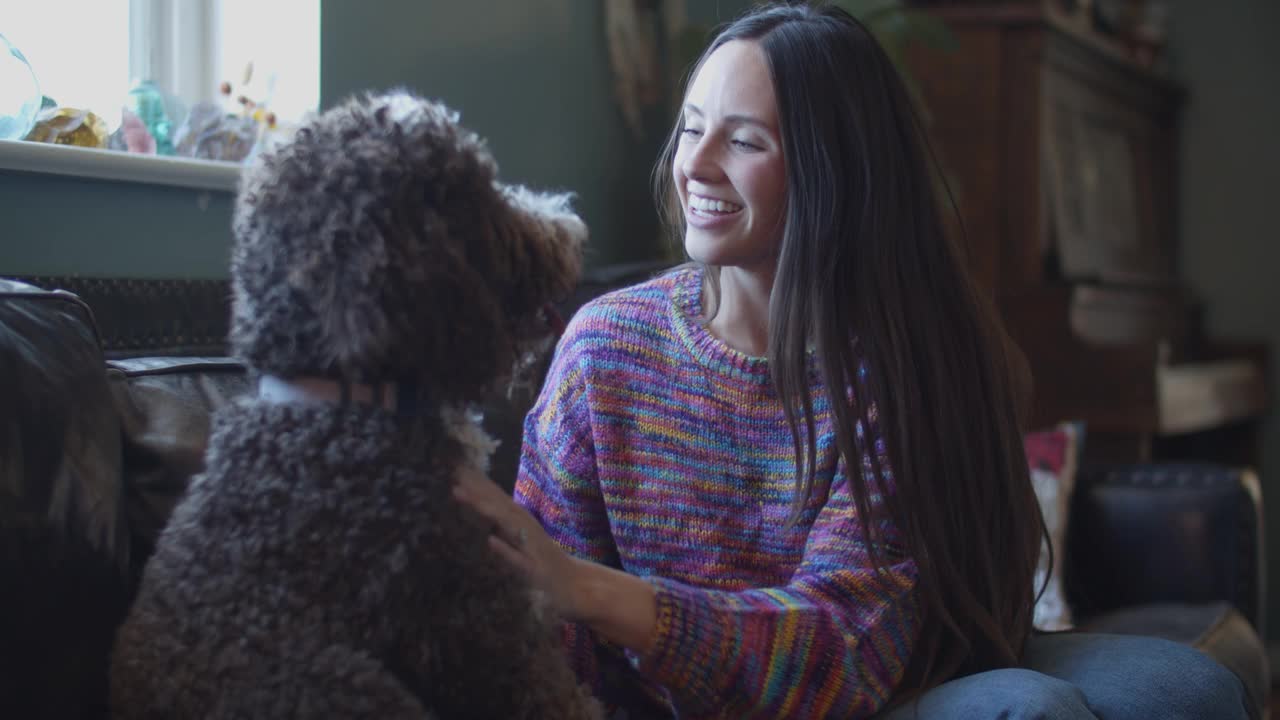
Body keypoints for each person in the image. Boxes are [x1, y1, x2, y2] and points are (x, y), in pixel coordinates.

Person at [453, 3, 1250, 718]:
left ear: (833, 172)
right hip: (679, 701)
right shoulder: (603, 349)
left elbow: (840, 658)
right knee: (1029, 710)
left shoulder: (904, 358)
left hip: (882, 681)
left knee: (1195, 687)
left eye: (745, 139)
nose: (695, 164)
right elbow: (549, 634)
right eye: (693, 127)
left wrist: (594, 590)